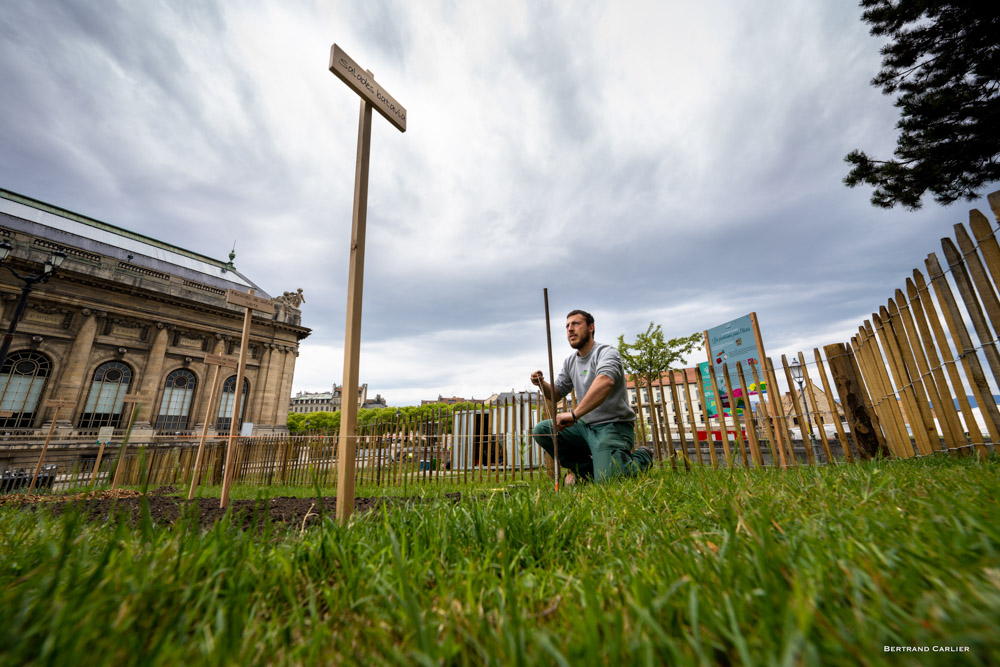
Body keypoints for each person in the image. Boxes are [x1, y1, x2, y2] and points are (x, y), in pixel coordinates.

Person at [531, 309, 653, 485]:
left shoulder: (607, 353)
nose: (570, 329)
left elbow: (605, 382)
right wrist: (542, 383)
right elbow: (556, 393)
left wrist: (574, 415)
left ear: (591, 327)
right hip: (585, 427)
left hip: (613, 426)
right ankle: (585, 470)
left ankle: (642, 458)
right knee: (542, 430)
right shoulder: (570, 362)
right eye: (567, 326)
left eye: (576, 324)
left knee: (610, 482)